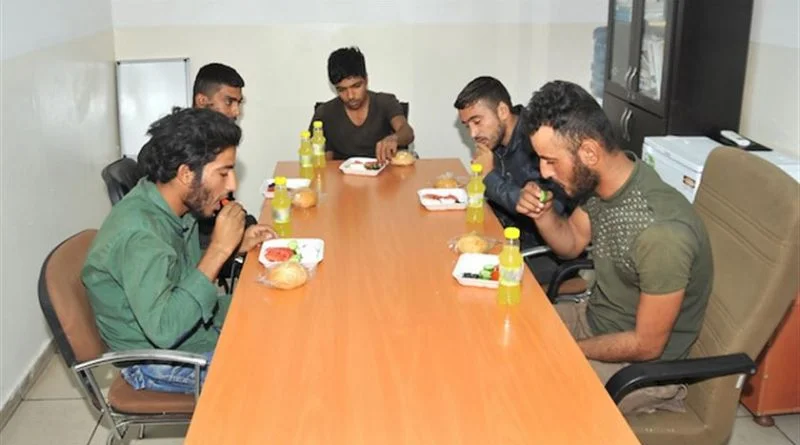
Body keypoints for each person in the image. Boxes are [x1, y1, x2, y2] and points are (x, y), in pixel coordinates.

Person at [516, 80, 713, 414]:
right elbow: (570, 243)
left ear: (589, 153)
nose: (543, 172)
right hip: (594, 321)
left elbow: (647, 345)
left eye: (550, 160)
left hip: (643, 370)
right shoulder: (604, 185)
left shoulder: (661, 233)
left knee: (528, 393)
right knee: (505, 331)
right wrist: (543, 213)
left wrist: (571, 350)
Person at [82, 108, 276, 393]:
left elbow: (180, 272)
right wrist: (219, 249)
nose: (232, 184)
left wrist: (236, 245)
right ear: (186, 173)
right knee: (277, 372)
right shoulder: (140, 235)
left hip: (190, 326)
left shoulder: (174, 204)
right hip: (155, 359)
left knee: (274, 308)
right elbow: (165, 330)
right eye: (223, 173)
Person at [454, 76, 573, 284]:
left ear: (502, 111)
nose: (473, 133)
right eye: (467, 126)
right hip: (505, 238)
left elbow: (547, 207)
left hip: (540, 254)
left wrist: (489, 176)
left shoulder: (538, 139)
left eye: (477, 121)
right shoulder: (496, 139)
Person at [311, 47, 415, 163]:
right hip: (341, 173)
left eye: (356, 86)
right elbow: (324, 163)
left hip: (384, 171)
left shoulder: (385, 102)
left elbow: (407, 132)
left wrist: (394, 138)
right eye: (342, 90)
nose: (350, 96)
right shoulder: (325, 113)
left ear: (366, 80)